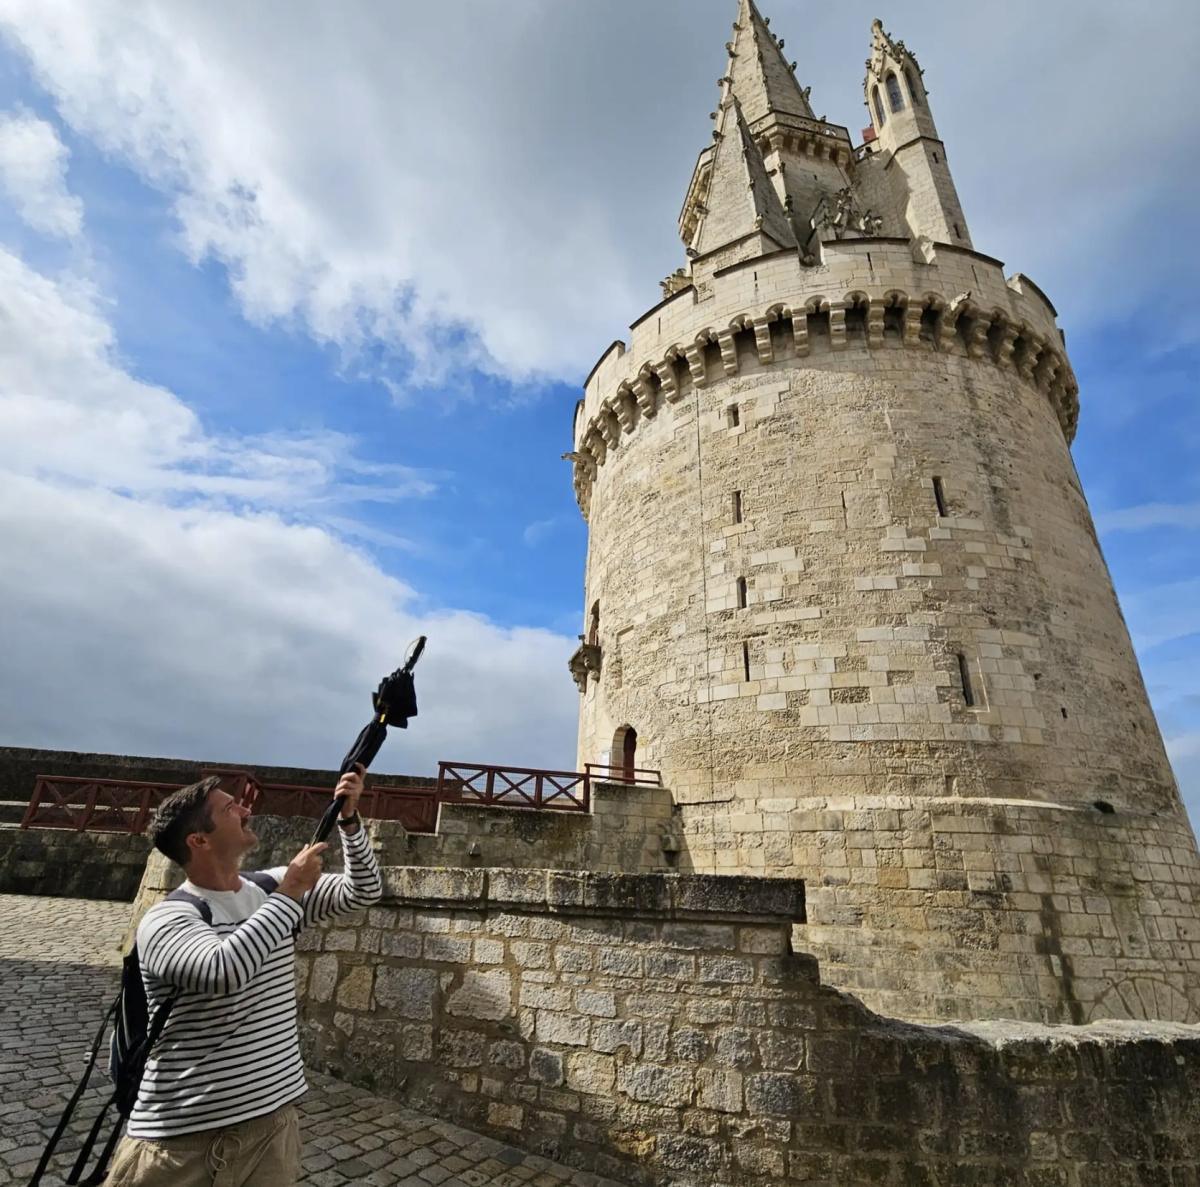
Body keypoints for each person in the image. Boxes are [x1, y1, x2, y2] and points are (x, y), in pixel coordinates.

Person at [104, 766, 382, 1186]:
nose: (246, 809)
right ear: (199, 840)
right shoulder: (166, 920)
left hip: (271, 1129)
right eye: (231, 808)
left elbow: (363, 891)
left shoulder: (267, 888)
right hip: (181, 1144)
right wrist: (290, 893)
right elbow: (225, 970)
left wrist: (349, 820)